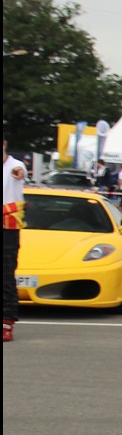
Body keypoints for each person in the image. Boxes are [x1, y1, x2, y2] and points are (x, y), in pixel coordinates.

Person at [3, 139, 24, 343]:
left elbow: (19, 172)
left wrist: (18, 173)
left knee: (6, 276)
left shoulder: (15, 165)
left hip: (7, 227)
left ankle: (7, 322)